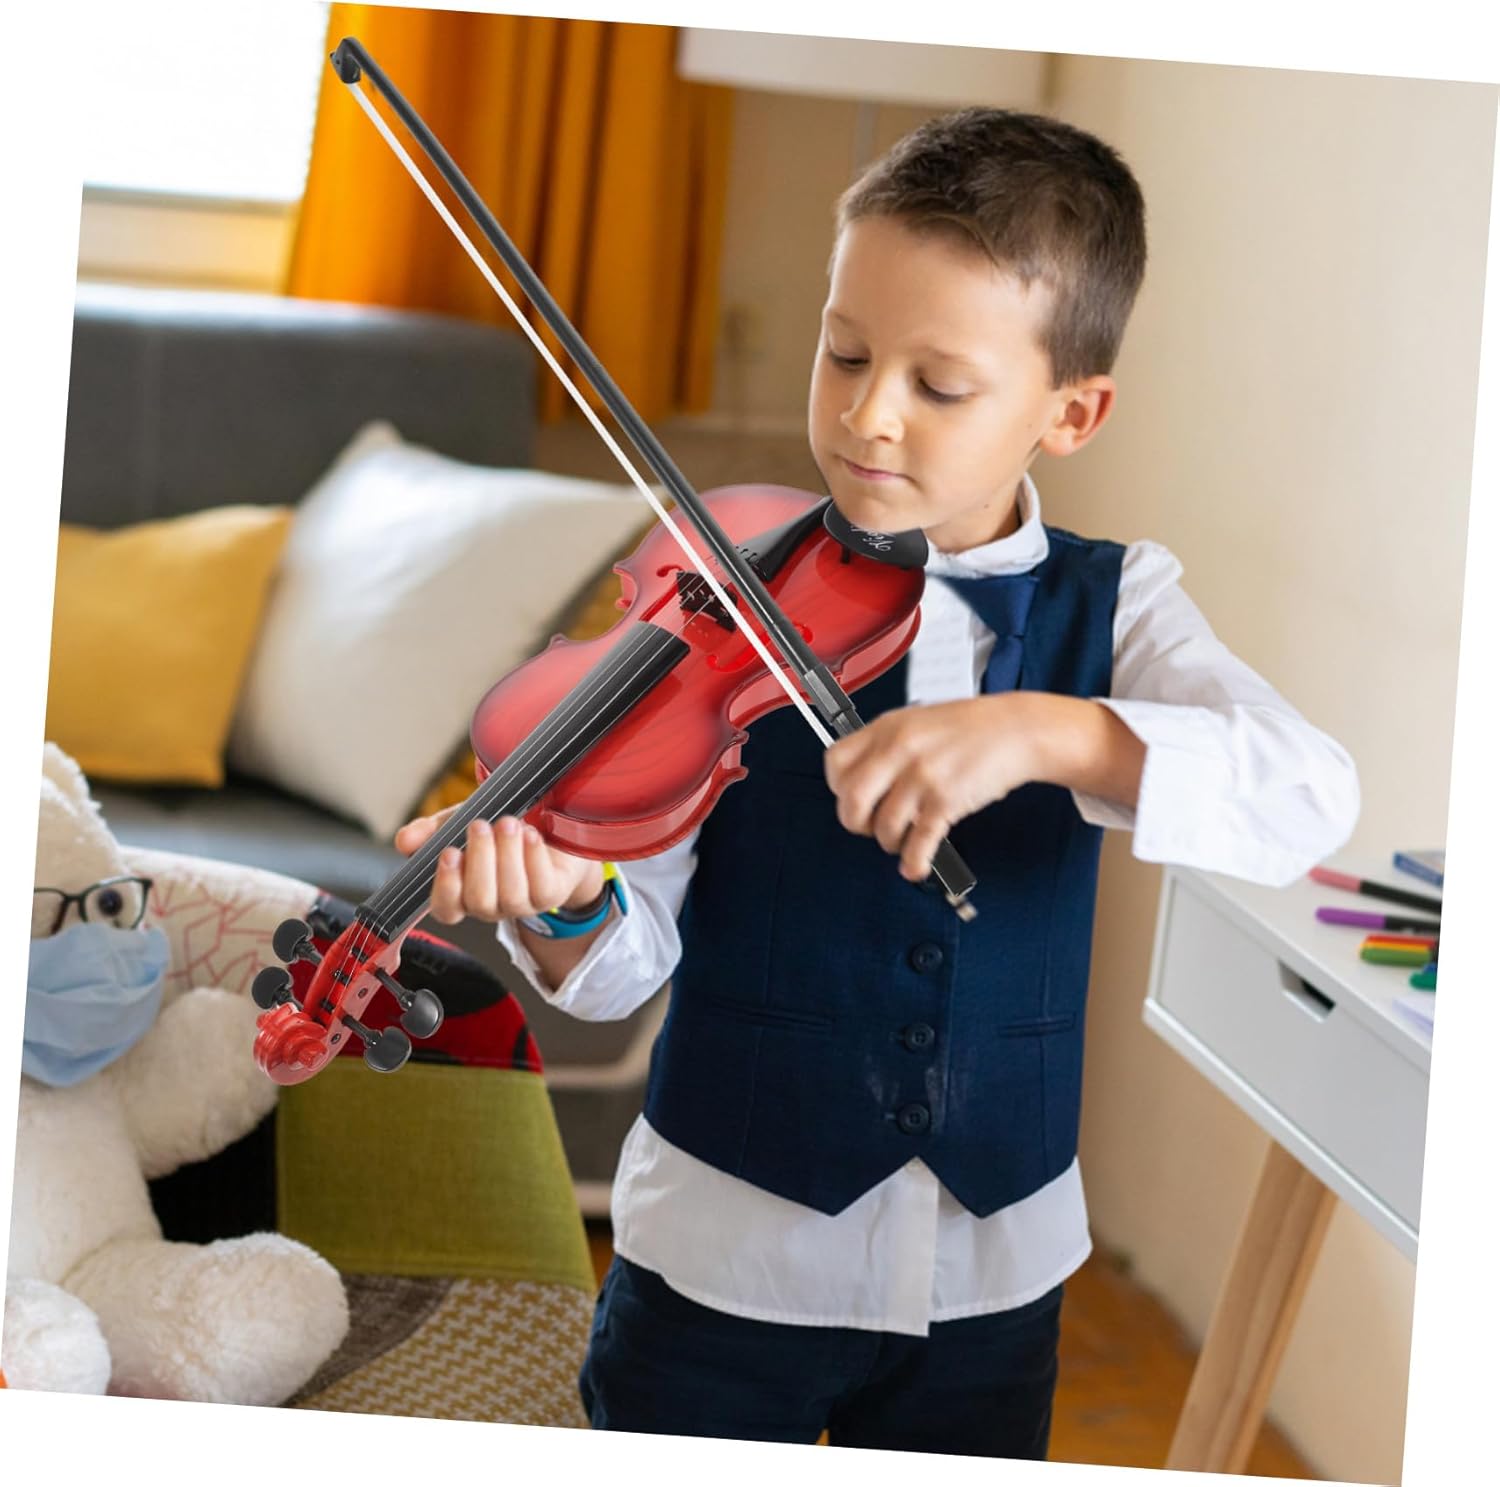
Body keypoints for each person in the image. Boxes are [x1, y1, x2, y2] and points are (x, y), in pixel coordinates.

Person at [395, 107, 1359, 1456]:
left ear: (1071, 413)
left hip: (994, 1278)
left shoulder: (1122, 608)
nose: (866, 414)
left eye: (939, 385)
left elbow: (1310, 797)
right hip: (723, 1266)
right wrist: (566, 902)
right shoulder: (729, 595)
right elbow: (625, 963)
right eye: (843, 351)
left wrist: (1052, 734)